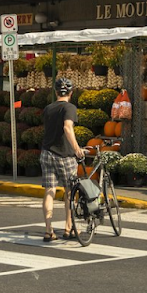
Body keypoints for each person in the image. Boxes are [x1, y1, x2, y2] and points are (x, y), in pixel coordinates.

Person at [39, 79, 83, 242]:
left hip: (46, 153)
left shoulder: (48, 108)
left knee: (50, 190)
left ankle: (48, 230)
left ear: (56, 92)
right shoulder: (69, 108)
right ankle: (68, 227)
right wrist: (77, 148)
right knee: (69, 191)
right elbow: (67, 127)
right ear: (71, 93)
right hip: (64, 155)